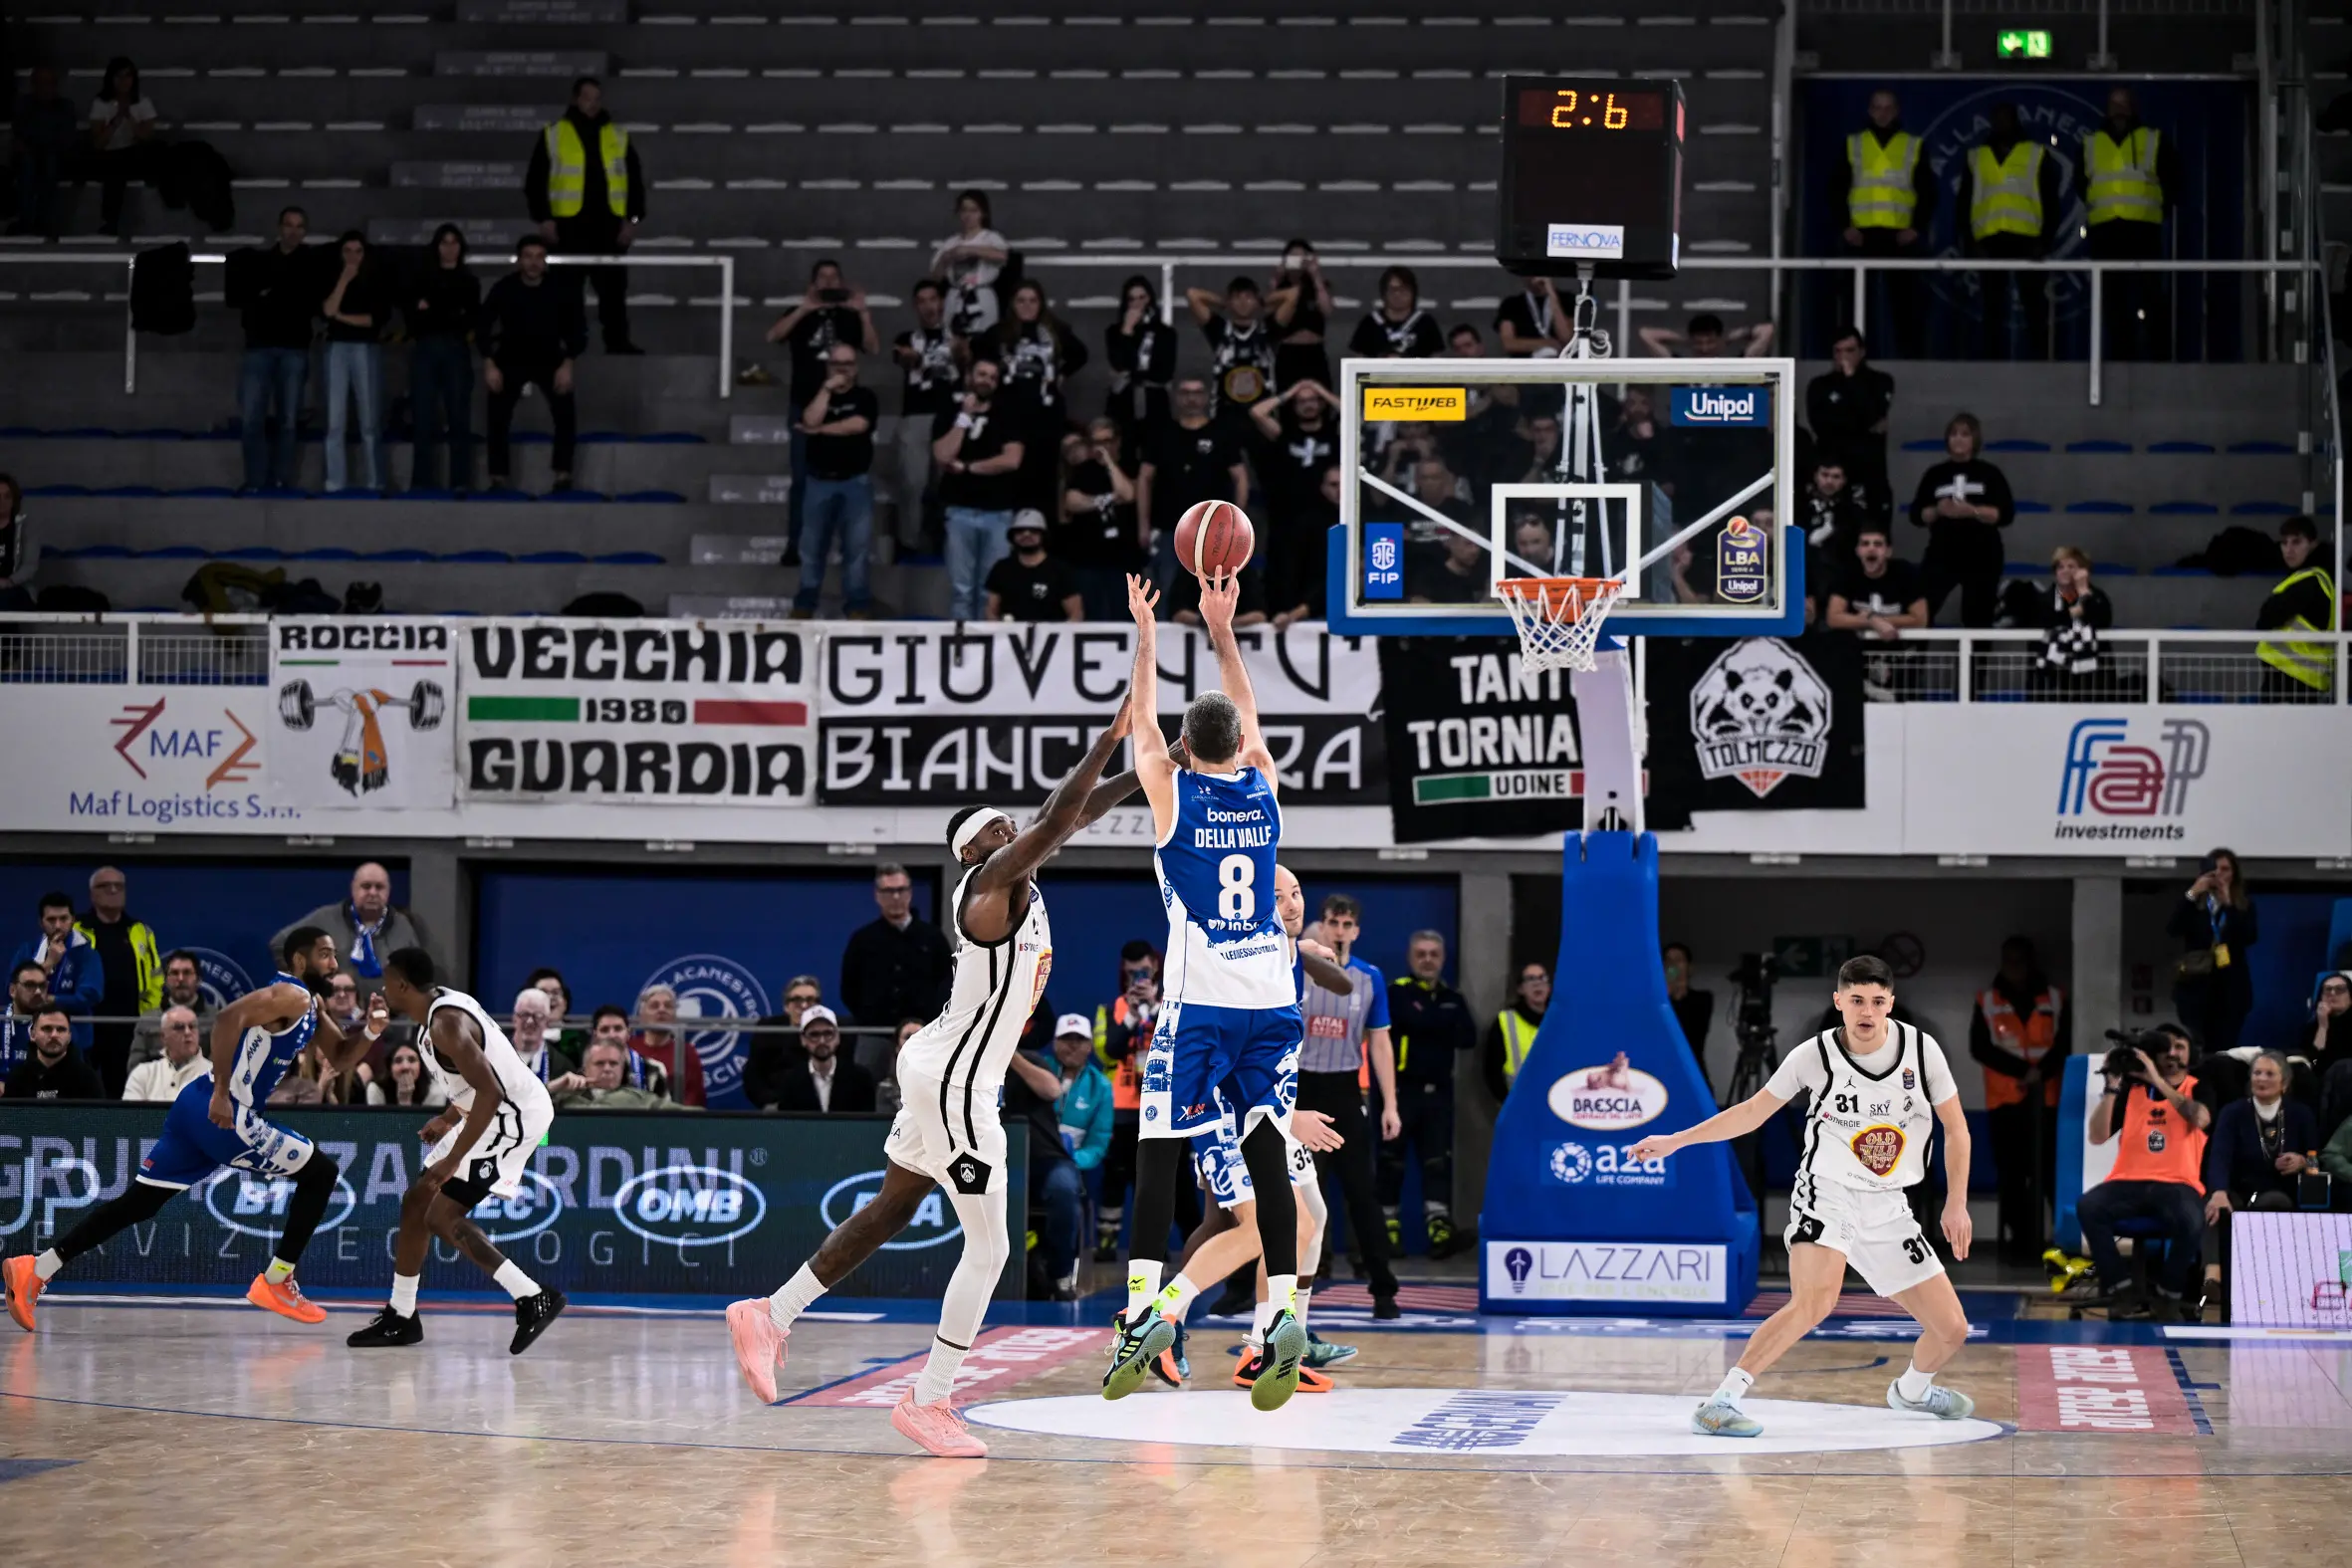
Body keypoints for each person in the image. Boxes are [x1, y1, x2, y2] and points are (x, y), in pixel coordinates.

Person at [724, 681, 1143, 1458]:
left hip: (945, 1065)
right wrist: (1115, 731)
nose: (1019, 829)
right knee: (988, 1249)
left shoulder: (1020, 880)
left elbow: (1073, 814)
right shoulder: (986, 889)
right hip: (956, 1077)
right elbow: (1059, 815)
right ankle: (929, 1398)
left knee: (889, 1209)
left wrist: (1166, 762)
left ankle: (770, 1314)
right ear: (976, 852)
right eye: (1001, 829)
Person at [1102, 571, 1320, 1410]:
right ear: (1242, 745)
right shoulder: (1262, 783)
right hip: (1273, 1002)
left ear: (1187, 750)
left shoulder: (1171, 787)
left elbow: (1141, 720)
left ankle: (1138, 1314)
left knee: (1158, 1153)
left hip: (1204, 1005)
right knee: (1270, 1161)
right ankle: (1280, 1317)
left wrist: (1149, 631)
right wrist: (1222, 631)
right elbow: (1246, 714)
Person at [1635, 956, 1977, 1436]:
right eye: (1857, 1000)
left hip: (1888, 1204)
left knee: (1952, 1329)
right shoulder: (1813, 1055)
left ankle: (1913, 1391)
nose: (1867, 1011)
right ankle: (1720, 1402)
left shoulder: (1922, 1052)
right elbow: (1752, 1113)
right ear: (1839, 1002)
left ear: (1891, 1005)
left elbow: (1956, 1129)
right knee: (1815, 1302)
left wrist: (1956, 1202)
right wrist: (1676, 1141)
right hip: (1827, 1191)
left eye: (1877, 1002)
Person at [3, 928, 362, 1334]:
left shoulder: (310, 1004)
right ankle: (277, 1280)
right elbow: (228, 1018)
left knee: (137, 1204)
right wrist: (224, 1093)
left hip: (195, 1104)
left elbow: (342, 1055)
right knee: (321, 1173)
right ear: (299, 961)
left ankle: (36, 1267)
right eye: (325, 955)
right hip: (226, 1114)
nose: (333, 964)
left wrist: (373, 1029)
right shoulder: (292, 995)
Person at [346, 947, 567, 1352]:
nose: (382, 988)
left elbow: (490, 1090)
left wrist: (452, 1157)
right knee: (416, 1202)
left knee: (442, 1215)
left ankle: (532, 1296)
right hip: (489, 1110)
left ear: (401, 985)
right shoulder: (439, 1010)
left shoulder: (446, 1023)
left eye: (386, 980)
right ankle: (402, 1315)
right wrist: (449, 1118)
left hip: (512, 1118)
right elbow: (484, 1075)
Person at [1293, 891, 1402, 1318]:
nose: (1339, 931)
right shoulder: (1295, 970)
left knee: (1361, 1193)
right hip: (1299, 1089)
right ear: (1322, 925)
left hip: (1343, 1091)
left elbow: (1380, 1042)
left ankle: (1383, 1288)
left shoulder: (1370, 977)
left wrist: (1389, 1104)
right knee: (1291, 1193)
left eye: (1346, 925)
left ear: (1356, 930)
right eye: (1332, 923)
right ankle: (1262, 1287)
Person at [2078, 1021, 2217, 1319]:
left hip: (2178, 1184)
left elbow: (2201, 1119)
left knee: (2192, 1219)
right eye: (2164, 1047)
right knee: (2089, 1207)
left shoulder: (2198, 1086)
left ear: (2190, 1053)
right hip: (2128, 1181)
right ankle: (2122, 1288)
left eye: (2179, 1046)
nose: (2171, 1052)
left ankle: (2168, 1295)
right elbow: (2097, 1136)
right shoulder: (2132, 1091)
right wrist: (2112, 1088)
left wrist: (2157, 1079)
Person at [767, 259, 880, 560]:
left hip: (845, 404)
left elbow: (873, 348)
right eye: (822, 277)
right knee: (802, 478)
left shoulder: (850, 316)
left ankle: (848, 548)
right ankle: (796, 545)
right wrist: (805, 308)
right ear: (813, 282)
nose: (829, 282)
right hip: (806, 403)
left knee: (849, 480)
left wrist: (863, 312)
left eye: (834, 277)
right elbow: (773, 336)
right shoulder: (800, 312)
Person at [525, 75, 643, 354]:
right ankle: (571, 345)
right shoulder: (553, 134)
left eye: (596, 98)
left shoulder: (618, 135)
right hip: (569, 227)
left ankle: (617, 343)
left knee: (613, 292)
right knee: (567, 292)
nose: (592, 103)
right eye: (587, 97)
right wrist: (544, 218)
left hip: (609, 226)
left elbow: (635, 182)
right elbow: (535, 182)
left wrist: (633, 220)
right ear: (576, 99)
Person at [1969, 937, 2068, 1261]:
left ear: (2031, 961)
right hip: (2005, 1104)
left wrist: (2041, 1072)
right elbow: (1980, 1047)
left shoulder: (2055, 998)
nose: (2015, 966)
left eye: (2020, 959)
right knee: (2012, 1177)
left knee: (2052, 1175)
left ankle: (2062, 1243)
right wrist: (2025, 1071)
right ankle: (2023, 1244)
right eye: (2009, 959)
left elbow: (2066, 1043)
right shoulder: (1987, 1000)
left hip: (2049, 1102)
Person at [1004, 1013, 1114, 1300]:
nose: (1072, 1047)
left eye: (1080, 1041)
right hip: (1022, 1155)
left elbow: (1099, 1142)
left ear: (1090, 1046)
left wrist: (1074, 1161)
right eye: (1066, 1040)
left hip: (1064, 1161)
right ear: (1054, 1042)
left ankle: (1060, 1272)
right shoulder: (1036, 1064)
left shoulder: (1100, 1086)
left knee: (1064, 1188)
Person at [1382, 930, 1476, 1258]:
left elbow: (1468, 1036)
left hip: (1439, 1095)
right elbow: (1406, 1020)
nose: (1427, 959)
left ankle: (1439, 1231)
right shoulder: (1396, 992)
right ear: (1410, 957)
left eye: (1434, 954)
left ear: (1443, 958)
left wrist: (1427, 1021)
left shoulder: (1454, 997)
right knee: (1390, 1162)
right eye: (1421, 953)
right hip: (1399, 1093)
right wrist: (1437, 1023)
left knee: (1437, 1162)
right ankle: (1387, 1230)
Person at [2201, 1049, 2319, 1295]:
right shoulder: (2232, 1112)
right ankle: (2213, 1280)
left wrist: (2302, 1162)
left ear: (2284, 1083)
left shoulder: (2301, 1114)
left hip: (2280, 1189)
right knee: (2217, 1208)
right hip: (2239, 1187)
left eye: (2269, 1074)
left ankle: (2263, 1281)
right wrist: (2219, 1191)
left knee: (2274, 1202)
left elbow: (2316, 1158)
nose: (2261, 1079)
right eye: (2257, 1073)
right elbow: (2219, 1156)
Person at [479, 236, 588, 494]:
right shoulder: (504, 288)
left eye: (539, 257)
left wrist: (568, 362)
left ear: (545, 261)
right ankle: (498, 478)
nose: (533, 262)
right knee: (497, 415)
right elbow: (482, 325)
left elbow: (578, 330)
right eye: (528, 256)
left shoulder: (561, 288)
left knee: (565, 414)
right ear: (519, 260)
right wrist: (489, 362)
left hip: (550, 356)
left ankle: (563, 475)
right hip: (511, 356)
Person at [1956, 102, 2061, 360]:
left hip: (2028, 240)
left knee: (2035, 306)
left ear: (2016, 120)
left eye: (2006, 117)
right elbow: (1964, 202)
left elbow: (2051, 200)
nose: (2001, 122)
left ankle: (2041, 364)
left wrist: (2045, 241)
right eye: (1996, 117)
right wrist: (1971, 243)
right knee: (1992, 308)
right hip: (1989, 240)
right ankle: (1992, 363)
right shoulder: (1976, 156)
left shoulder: (2036, 154)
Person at [230, 207, 325, 494]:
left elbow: (309, 304)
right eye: (289, 225)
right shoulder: (259, 262)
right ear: (279, 228)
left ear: (305, 231)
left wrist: (271, 298)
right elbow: (245, 302)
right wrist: (277, 300)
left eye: (299, 226)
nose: (293, 231)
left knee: (287, 420)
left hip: (294, 349)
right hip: (259, 348)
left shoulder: (312, 263)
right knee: (251, 420)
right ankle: (256, 481)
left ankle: (281, 479)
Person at [1834, 89, 1934, 357]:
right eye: (1878, 107)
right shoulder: (1853, 144)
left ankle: (1910, 360)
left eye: (1888, 107)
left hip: (1899, 236)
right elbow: (1837, 189)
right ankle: (1851, 358)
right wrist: (1846, 226)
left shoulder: (1913, 145)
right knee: (1856, 302)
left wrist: (1916, 228)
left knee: (1905, 304)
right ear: (1869, 111)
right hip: (1861, 235)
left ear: (1897, 111)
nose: (1883, 113)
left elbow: (1927, 191)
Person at [2083, 86, 2178, 362]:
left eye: (2124, 104)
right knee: (2113, 300)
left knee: (2150, 296)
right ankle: (2120, 358)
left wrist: (2160, 207)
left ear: (2133, 107)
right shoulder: (2091, 142)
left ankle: (2159, 357)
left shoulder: (2153, 139)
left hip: (2143, 230)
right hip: (2106, 231)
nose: (2119, 110)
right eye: (2114, 104)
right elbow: (2081, 181)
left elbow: (2173, 179)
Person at [932, 356, 1027, 620]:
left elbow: (1012, 459)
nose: (986, 380)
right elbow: (942, 454)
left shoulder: (1007, 413)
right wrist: (963, 418)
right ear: (969, 376)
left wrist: (968, 467)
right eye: (981, 374)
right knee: (961, 590)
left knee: (991, 591)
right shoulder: (951, 411)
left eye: (992, 377)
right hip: (959, 510)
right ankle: (961, 653)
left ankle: (989, 651)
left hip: (998, 513)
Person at [1136, 374, 1251, 588]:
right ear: (1177, 397)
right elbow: (1144, 479)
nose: (1191, 399)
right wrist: (1143, 525)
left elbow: (1241, 478)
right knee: (1168, 590)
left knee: (1211, 591)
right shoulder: (1161, 433)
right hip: (1170, 529)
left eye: (1197, 393)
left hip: (1214, 531)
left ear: (1207, 397)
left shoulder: (1222, 433)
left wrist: (1237, 523)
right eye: (1186, 393)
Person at [793, 342, 880, 619]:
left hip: (855, 483)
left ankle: (856, 606)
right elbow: (809, 419)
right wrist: (827, 389)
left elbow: (858, 425)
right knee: (811, 549)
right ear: (828, 366)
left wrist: (819, 430)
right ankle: (805, 605)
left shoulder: (866, 396)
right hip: (818, 481)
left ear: (856, 368)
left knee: (856, 549)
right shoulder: (816, 393)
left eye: (848, 364)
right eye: (837, 364)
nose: (843, 369)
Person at [1091, 941, 1165, 1262]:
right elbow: (1109, 1051)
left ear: (1156, 967)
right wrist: (1133, 1016)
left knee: (1156, 1184)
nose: (1138, 976)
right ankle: (1106, 1243)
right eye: (1132, 970)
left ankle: (1154, 1248)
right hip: (1120, 1110)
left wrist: (1156, 1007)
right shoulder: (1112, 1009)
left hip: (1161, 1107)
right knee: (1114, 1180)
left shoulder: (1172, 1004)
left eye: (1144, 970)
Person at [1907, 412, 2013, 627]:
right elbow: (1917, 515)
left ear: (1974, 439)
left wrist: (1972, 511)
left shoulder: (1989, 473)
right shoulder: (1935, 474)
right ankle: (1915, 659)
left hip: (1982, 553)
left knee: (1978, 616)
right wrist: (1938, 511)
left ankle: (1976, 661)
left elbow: (2004, 514)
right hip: (1942, 551)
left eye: (1965, 434)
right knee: (1922, 607)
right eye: (1953, 434)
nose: (1958, 439)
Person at [989, 280, 1087, 511]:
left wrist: (1062, 373)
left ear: (1041, 303)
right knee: (1013, 475)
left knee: (1045, 475)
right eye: (1021, 300)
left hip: (1046, 414)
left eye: (1033, 300)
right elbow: (979, 357)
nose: (1027, 306)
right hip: (1010, 415)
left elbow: (1080, 354)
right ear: (1012, 303)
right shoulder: (999, 332)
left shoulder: (1055, 330)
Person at [275, 862, 431, 1004]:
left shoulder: (402, 926)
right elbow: (280, 944)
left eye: (379, 887)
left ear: (388, 891)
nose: (372, 892)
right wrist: (308, 982)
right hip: (331, 1019)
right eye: (366, 886)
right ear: (353, 889)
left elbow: (417, 978)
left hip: (388, 1022)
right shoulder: (325, 919)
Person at [405, 223, 480, 493]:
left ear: (461, 247)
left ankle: (460, 480)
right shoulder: (421, 279)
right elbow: (414, 320)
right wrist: (449, 311)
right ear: (436, 246)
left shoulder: (469, 281)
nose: (449, 248)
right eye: (444, 242)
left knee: (459, 417)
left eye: (454, 242)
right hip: (425, 350)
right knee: (423, 417)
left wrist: (432, 309)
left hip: (456, 351)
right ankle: (421, 481)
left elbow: (469, 320)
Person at [74, 866, 158, 1098]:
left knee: (123, 1091)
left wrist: (149, 1016)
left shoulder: (140, 930)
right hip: (85, 1024)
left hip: (128, 1026)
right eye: (104, 886)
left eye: (118, 886)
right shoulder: (76, 928)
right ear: (92, 894)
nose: (113, 890)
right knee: (83, 1091)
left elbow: (155, 978)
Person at [889, 278, 961, 551]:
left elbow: (967, 360)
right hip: (917, 415)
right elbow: (904, 357)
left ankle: (946, 544)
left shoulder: (959, 335)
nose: (929, 306)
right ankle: (910, 543)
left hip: (952, 416)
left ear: (943, 302)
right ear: (915, 307)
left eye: (934, 299)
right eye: (922, 302)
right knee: (913, 482)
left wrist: (959, 349)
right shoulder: (906, 338)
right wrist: (919, 360)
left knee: (947, 485)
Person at [2167, 850, 2258, 1054]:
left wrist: (2228, 902)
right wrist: (2193, 893)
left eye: (2225, 869)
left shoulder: (2244, 905)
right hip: (2195, 985)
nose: (2219, 874)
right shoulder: (2195, 903)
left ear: (2234, 874)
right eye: (2213, 869)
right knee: (2197, 1044)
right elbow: (2173, 928)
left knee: (2224, 1047)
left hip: (2230, 987)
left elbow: (2249, 936)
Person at [839, 862, 952, 1028]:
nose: (896, 897)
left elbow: (947, 981)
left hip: (925, 1029)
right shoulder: (863, 939)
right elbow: (849, 988)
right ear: (877, 895)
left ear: (910, 892)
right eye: (888, 891)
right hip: (875, 1031)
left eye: (901, 890)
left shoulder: (932, 937)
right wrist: (867, 1017)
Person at [320, 231, 388, 494]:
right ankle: (335, 482)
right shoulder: (332, 277)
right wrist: (343, 281)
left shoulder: (375, 280)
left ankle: (374, 481)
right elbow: (327, 311)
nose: (353, 256)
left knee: (369, 421)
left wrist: (342, 317)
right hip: (336, 348)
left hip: (365, 348)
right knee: (335, 421)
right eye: (348, 250)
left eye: (358, 251)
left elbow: (374, 320)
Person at [1804, 328, 1895, 525]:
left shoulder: (1881, 381)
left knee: (1870, 535)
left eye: (1849, 350)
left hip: (1870, 477)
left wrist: (1851, 379)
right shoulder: (1819, 385)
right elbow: (1821, 427)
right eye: (1838, 351)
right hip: (1832, 479)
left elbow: (1873, 414)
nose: (1843, 357)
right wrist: (1861, 426)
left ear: (1862, 352)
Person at [1058, 418, 1139, 619]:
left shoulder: (1129, 465)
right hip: (1088, 559)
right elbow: (1071, 502)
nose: (1101, 447)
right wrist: (1108, 499)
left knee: (1124, 615)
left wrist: (1110, 463)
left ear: (1117, 441)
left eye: (1107, 441)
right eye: (1096, 442)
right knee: (1092, 615)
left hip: (1123, 559)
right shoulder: (1083, 470)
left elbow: (1128, 493)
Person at [2254, 514, 2337, 700]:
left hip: (2292, 681)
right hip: (2298, 680)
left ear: (2313, 544)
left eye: (2296, 542)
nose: (2289, 550)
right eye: (2284, 543)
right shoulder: (2312, 578)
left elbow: (2265, 619)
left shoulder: (2310, 581)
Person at [10, 891, 102, 1050]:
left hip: (75, 1042)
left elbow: (90, 995)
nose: (58, 925)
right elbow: (11, 990)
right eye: (51, 919)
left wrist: (50, 1000)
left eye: (63, 919)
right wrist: (48, 964)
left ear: (73, 920)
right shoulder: (28, 950)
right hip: (28, 1039)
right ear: (41, 922)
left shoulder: (87, 954)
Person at [1188, 276, 1277, 427]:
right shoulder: (1219, 329)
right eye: (1237, 298)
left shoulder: (1266, 329)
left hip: (1262, 415)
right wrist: (1224, 303)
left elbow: (1292, 296)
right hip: (1225, 413)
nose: (1243, 303)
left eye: (1248, 298)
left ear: (1256, 301)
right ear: (1229, 302)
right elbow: (1193, 294)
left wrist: (1261, 301)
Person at [85, 58, 160, 236]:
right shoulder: (100, 103)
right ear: (110, 79)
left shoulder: (143, 102)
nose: (124, 81)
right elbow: (98, 143)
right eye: (118, 76)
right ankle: (111, 222)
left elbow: (147, 136)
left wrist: (130, 118)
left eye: (128, 76)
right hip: (109, 156)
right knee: (115, 167)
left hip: (133, 154)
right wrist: (117, 119)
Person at [1827, 522, 1931, 643]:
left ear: (1888, 551)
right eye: (1865, 544)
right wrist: (1872, 621)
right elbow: (1833, 618)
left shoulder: (1906, 572)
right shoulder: (1847, 573)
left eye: (1878, 544)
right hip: (1856, 651)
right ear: (1858, 551)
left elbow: (1920, 620)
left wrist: (1875, 619)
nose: (1871, 549)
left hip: (1895, 649)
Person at [928, 188, 1009, 340]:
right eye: (964, 210)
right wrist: (947, 256)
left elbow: (1001, 256)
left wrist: (970, 250)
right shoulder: (951, 243)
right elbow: (935, 276)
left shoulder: (991, 237)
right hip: (956, 295)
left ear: (982, 213)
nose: (968, 215)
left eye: (974, 210)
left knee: (984, 340)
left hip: (982, 294)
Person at [1103, 273, 1179, 433]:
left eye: (1142, 297)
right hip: (1122, 403)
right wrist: (1127, 330)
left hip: (1155, 403)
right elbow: (1119, 363)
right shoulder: (1114, 332)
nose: (1137, 303)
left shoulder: (1166, 333)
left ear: (1149, 299)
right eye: (1132, 299)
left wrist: (1133, 374)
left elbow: (1164, 372)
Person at [12, 67, 79, 239]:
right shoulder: (23, 104)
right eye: (40, 83)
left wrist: (44, 145)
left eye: (49, 83)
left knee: (49, 162)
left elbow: (66, 138)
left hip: (56, 155)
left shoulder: (65, 106)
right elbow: (20, 133)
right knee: (28, 164)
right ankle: (26, 221)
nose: (45, 87)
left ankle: (44, 222)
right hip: (29, 154)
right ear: (33, 85)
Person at [982, 509, 1082, 622]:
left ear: (1043, 535)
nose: (1026, 534)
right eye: (1020, 531)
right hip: (1008, 636)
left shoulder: (1060, 570)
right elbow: (991, 611)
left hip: (1051, 636)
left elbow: (1076, 615)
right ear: (1013, 536)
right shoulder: (1001, 568)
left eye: (1033, 530)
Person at [773, 1006, 877, 1114]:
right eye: (814, 1035)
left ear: (837, 1037)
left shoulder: (860, 1078)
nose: (822, 1041)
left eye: (828, 1034)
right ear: (803, 1040)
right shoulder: (790, 1081)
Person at [2037, 547, 2114, 690]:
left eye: (2071, 566)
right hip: (2057, 674)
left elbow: (2102, 620)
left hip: (2094, 674)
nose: (2065, 570)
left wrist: (2083, 591)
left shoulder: (2097, 596)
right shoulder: (2045, 599)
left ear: (2083, 571)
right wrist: (2074, 613)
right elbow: (2051, 621)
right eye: (2060, 567)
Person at [127, 948, 210, 1073]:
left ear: (198, 979)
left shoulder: (217, 1019)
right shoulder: (148, 1020)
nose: (181, 979)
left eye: (187, 973)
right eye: (174, 973)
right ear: (165, 980)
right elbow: (135, 1067)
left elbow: (221, 1068)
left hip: (200, 1088)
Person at [551, 1038, 690, 1111]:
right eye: (600, 1063)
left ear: (622, 1069)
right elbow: (538, 1134)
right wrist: (552, 1088)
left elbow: (682, 1115)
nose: (607, 1069)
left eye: (613, 1064)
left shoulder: (640, 1099)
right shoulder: (562, 1098)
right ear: (584, 1069)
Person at [626, 984, 706, 1108]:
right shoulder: (628, 1048)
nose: (661, 1010)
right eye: (654, 1006)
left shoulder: (687, 1052)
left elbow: (694, 1097)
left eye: (668, 1006)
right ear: (642, 1016)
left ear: (675, 1016)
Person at [1482, 961, 1550, 1103]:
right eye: (1531, 979)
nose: (1537, 984)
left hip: (1557, 1106)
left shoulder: (1561, 1021)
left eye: (1542, 978)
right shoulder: (1506, 1021)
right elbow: (1492, 1072)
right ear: (1520, 989)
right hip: (1519, 1107)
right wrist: (1508, 1103)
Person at [4, 1006, 103, 1100]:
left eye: (61, 1029)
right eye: (47, 1029)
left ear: (69, 1037)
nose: (54, 1035)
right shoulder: (17, 1079)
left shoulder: (88, 1079)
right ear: (33, 1035)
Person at [1346, 266, 1443, 358]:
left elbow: (1436, 359)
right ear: (1384, 293)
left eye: (1403, 289)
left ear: (1413, 292)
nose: (1397, 294)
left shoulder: (1426, 322)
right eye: (1393, 290)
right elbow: (1358, 359)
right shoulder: (1369, 322)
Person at [122, 1005, 209, 1102]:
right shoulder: (143, 1074)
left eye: (192, 1026)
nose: (187, 1032)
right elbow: (131, 1116)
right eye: (179, 1027)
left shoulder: (217, 1076)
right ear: (163, 1037)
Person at [1663, 942, 1714, 1083]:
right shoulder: (1658, 1003)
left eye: (1678, 960)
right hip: (1662, 1072)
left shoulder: (1702, 999)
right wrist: (1666, 995)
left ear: (1689, 968)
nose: (1672, 965)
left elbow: (1694, 1035)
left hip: (1692, 1072)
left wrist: (1678, 994)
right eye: (1668, 960)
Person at [508, 987, 575, 1083]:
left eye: (538, 1016)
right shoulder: (494, 1055)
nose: (530, 1021)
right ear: (514, 1019)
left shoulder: (561, 1066)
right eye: (524, 1014)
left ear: (547, 1022)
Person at [2, 962, 54, 1083]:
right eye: (30, 985)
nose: (37, 992)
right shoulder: (1, 1021)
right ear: (12, 990)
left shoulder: (57, 1027)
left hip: (38, 1097)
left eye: (42, 986)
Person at [364, 1039, 446, 1107]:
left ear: (421, 1066)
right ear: (390, 1068)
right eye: (398, 1061)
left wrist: (405, 1101)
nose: (405, 1067)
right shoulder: (376, 1089)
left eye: (412, 1060)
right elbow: (379, 1125)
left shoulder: (435, 1091)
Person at [0, 472, 34, 612]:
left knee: (5, 601)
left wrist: (9, 582)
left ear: (14, 500)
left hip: (17, 589)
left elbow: (30, 565)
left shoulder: (25, 527)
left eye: (7, 496)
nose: (2, 501)